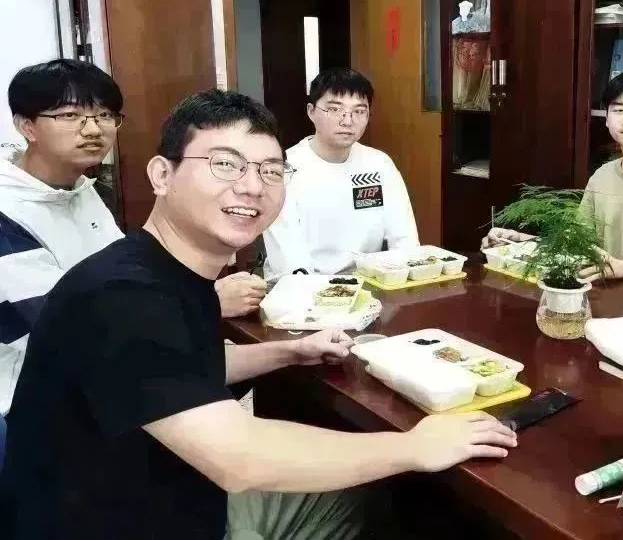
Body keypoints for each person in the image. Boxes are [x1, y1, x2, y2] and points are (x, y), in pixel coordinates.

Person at [0, 89, 516, 540]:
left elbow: (175, 372)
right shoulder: (123, 296)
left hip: (171, 496)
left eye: (270, 170)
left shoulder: (161, 270)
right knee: (408, 497)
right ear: (162, 174)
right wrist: (415, 447)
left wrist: (288, 352)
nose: (252, 186)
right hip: (122, 524)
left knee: (387, 493)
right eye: (225, 164)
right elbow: (239, 458)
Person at [0, 60, 267, 414]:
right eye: (70, 116)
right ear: (26, 126)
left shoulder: (80, 190)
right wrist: (208, 301)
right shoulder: (7, 211)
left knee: (259, 368)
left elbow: (126, 280)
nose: (93, 129)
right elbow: (65, 329)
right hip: (35, 400)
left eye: (104, 115)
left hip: (105, 373)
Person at [483, 71, 623, 285]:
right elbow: (578, 243)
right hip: (599, 294)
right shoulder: (602, 176)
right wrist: (520, 241)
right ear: (606, 118)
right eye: (619, 110)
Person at [264, 68, 419, 276]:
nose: (347, 121)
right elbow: (289, 258)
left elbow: (404, 239)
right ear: (311, 111)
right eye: (335, 109)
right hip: (301, 285)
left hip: (367, 281)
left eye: (359, 111)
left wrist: (405, 279)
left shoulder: (379, 164)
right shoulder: (285, 168)